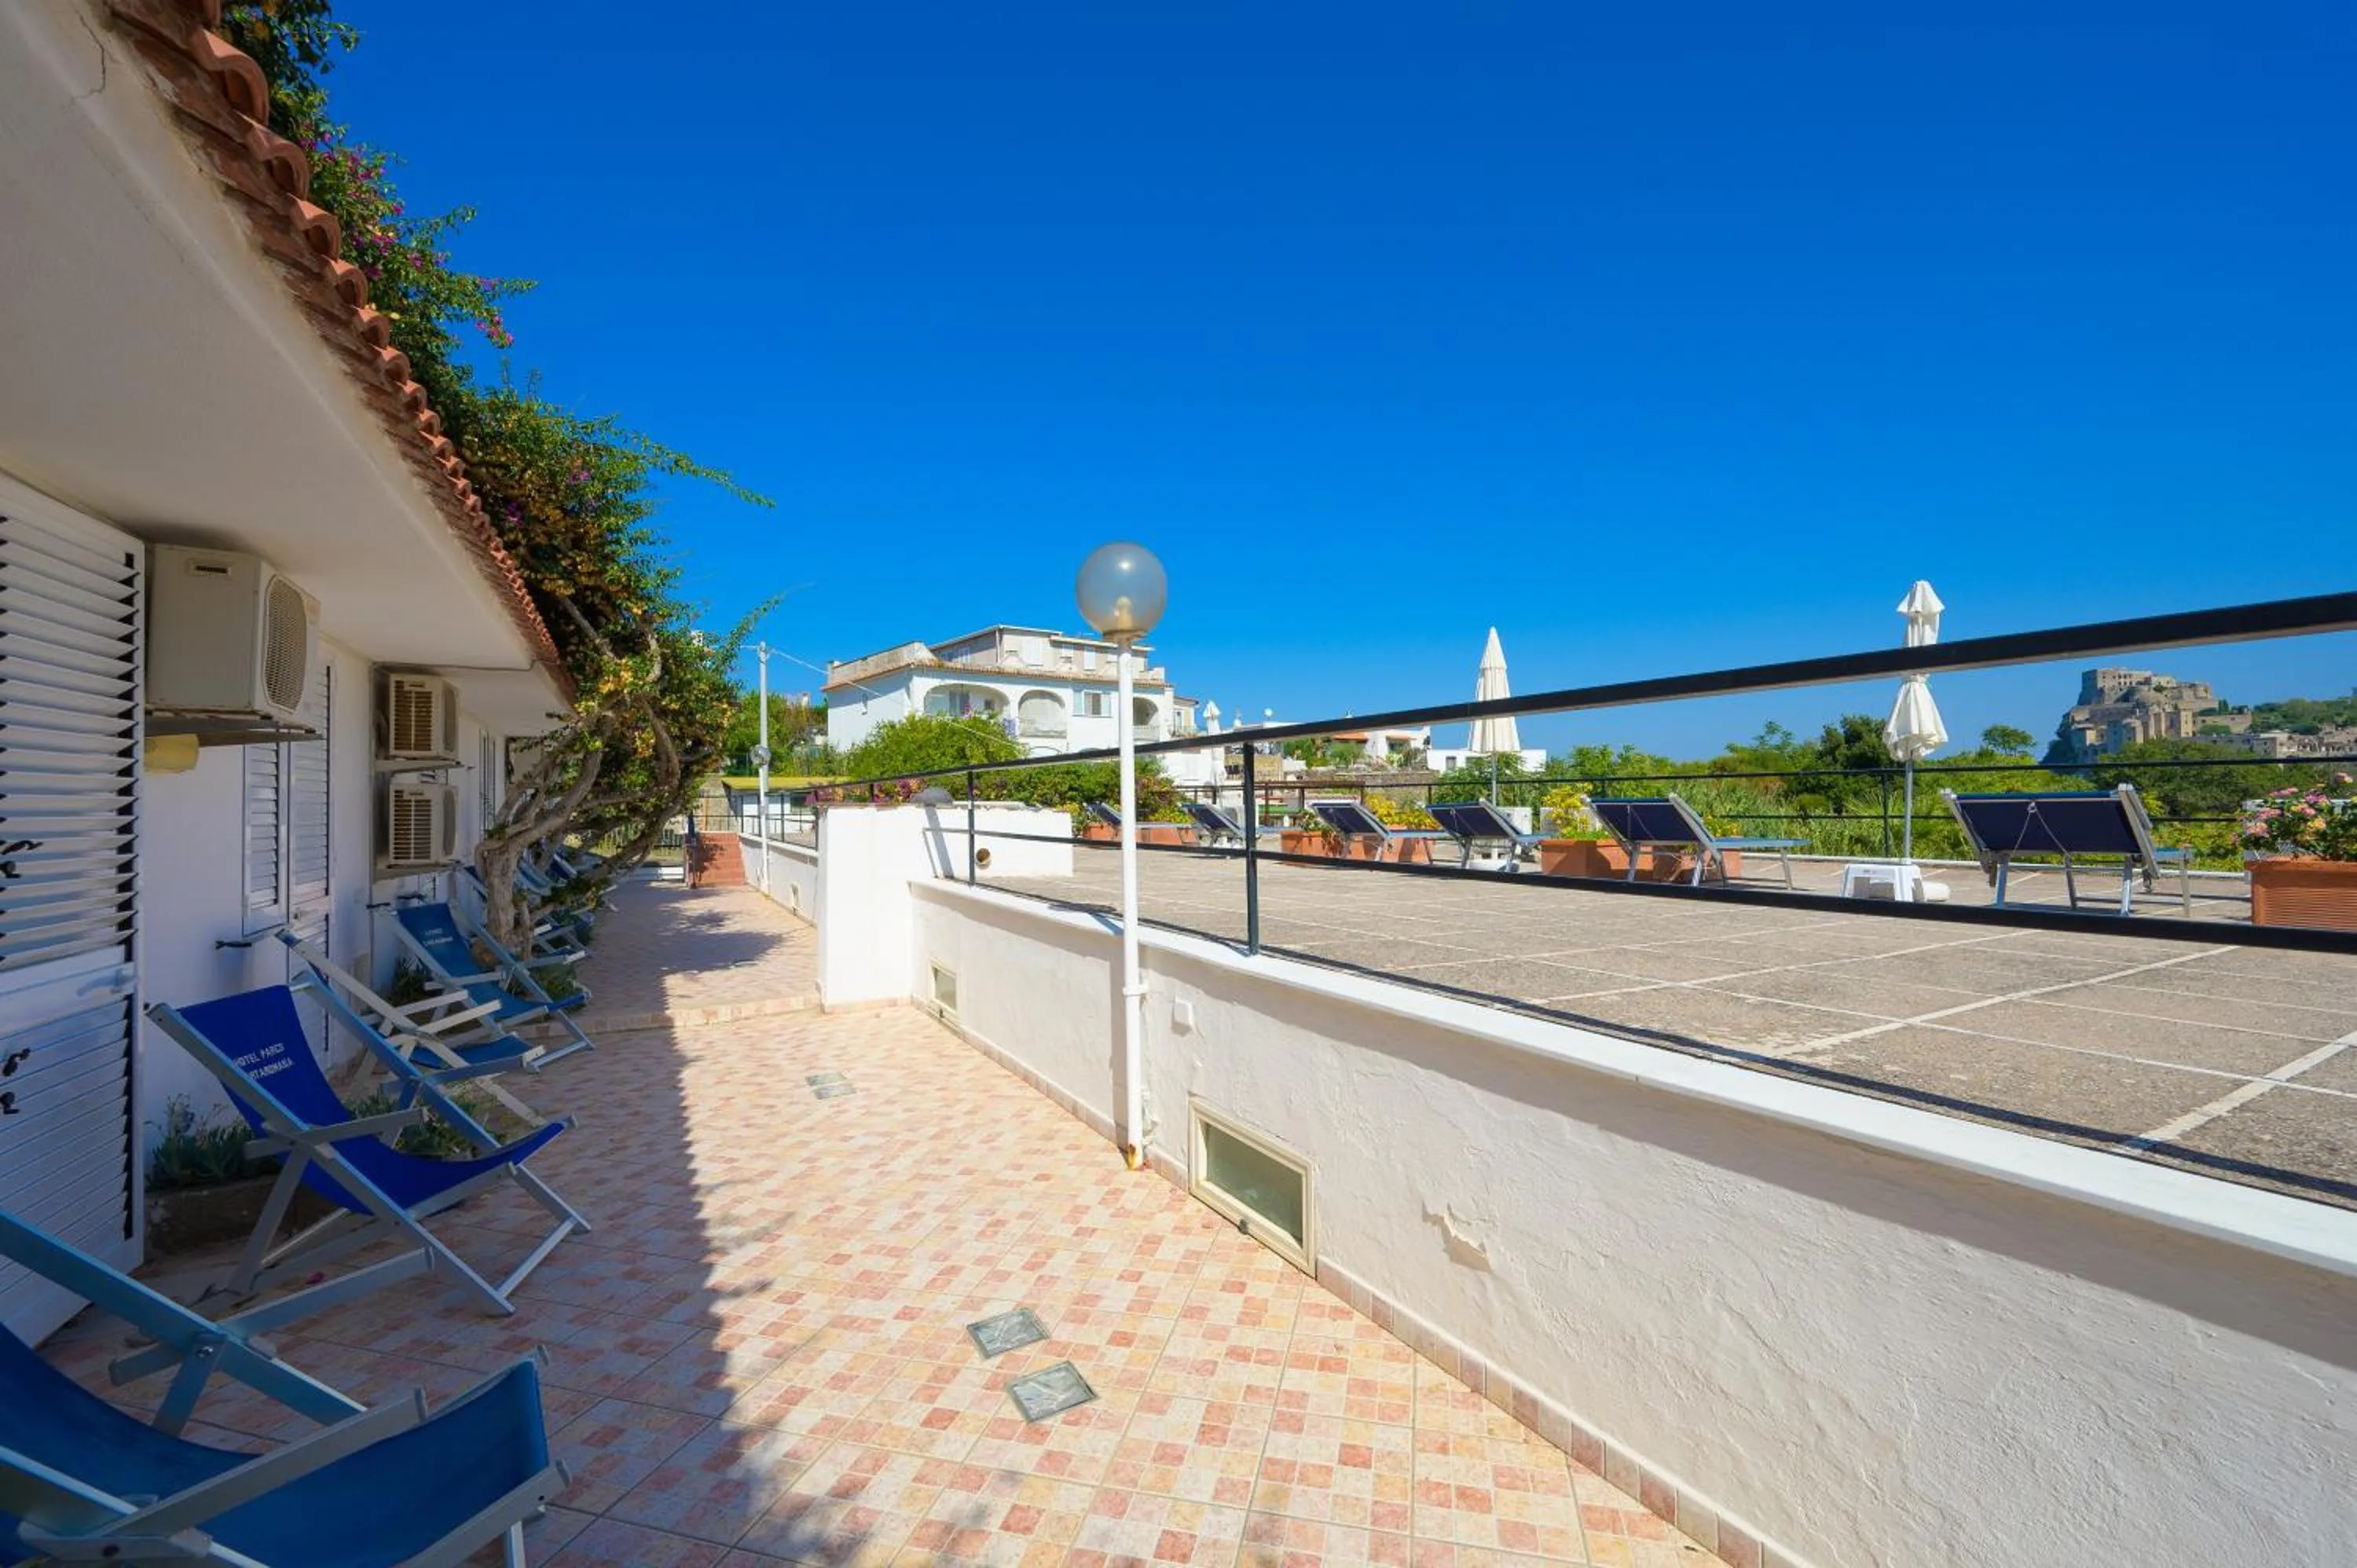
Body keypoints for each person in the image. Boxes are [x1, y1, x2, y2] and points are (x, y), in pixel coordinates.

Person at [682, 811, 701, 888]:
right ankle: (690, 881)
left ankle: (690, 881)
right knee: (691, 864)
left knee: (691, 864)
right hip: (691, 844)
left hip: (691, 844)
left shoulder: (691, 833)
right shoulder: (691, 832)